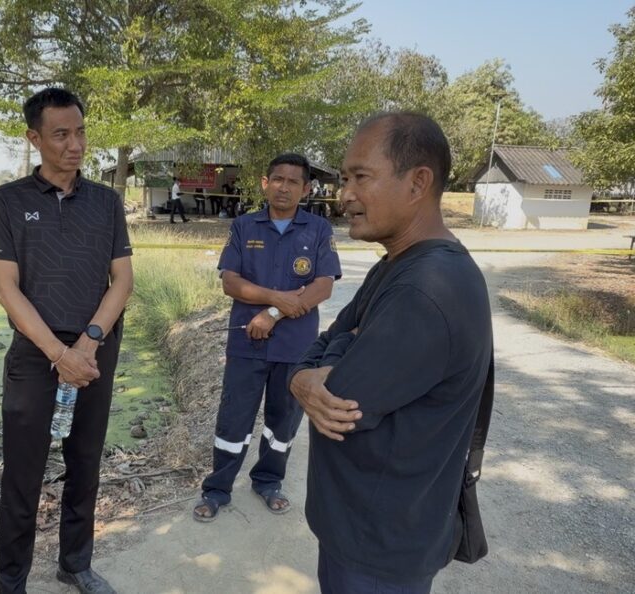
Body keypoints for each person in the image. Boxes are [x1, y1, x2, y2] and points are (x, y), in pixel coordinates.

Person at [288, 112, 493, 593]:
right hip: (365, 530)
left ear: (418, 182)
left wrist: (321, 366)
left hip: (377, 547)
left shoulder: (426, 291)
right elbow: (327, 340)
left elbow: (338, 399)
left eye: (361, 177)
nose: (345, 196)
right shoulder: (398, 265)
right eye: (343, 178)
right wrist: (303, 376)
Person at [0, 87, 133, 594]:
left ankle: (75, 562)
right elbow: (7, 289)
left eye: (81, 131)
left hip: (95, 349)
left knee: (85, 460)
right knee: (22, 473)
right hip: (35, 352)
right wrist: (58, 354)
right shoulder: (7, 201)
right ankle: (11, 580)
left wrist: (88, 343)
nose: (75, 144)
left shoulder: (107, 202)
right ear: (34, 138)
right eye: (61, 134)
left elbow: (123, 282)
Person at [193, 153, 341, 522]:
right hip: (247, 342)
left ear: (306, 189)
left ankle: (268, 481)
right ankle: (217, 489)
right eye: (278, 179)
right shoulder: (244, 226)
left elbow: (322, 286)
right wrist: (276, 297)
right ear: (265, 183)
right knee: (233, 419)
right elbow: (230, 281)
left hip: (295, 348)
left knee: (284, 419)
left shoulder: (318, 230)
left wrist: (273, 313)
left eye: (293, 182)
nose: (284, 187)